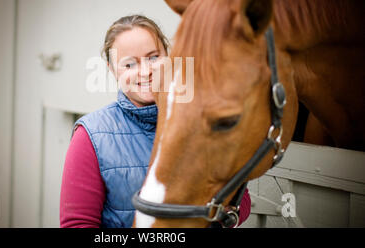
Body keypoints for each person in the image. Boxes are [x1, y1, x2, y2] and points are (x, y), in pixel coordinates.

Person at [60, 15, 251, 228]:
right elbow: (77, 224)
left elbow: (239, 202)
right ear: (113, 70)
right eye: (129, 64)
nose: (146, 71)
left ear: (168, 56)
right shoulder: (92, 135)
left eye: (153, 57)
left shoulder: (201, 122)